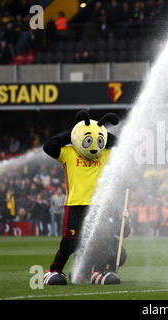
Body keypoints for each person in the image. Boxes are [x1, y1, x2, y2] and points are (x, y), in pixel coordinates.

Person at [42, 110, 119, 285]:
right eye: (89, 140)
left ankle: (97, 272)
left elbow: (120, 144)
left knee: (101, 241)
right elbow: (49, 146)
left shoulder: (105, 154)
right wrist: (76, 133)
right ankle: (53, 271)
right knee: (70, 242)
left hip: (98, 205)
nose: (94, 146)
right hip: (76, 204)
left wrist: (100, 133)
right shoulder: (69, 153)